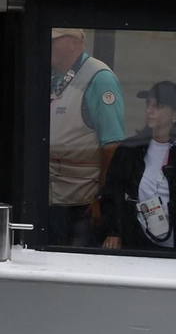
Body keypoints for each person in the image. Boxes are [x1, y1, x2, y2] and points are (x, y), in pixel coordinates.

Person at [102, 81, 176, 252]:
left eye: (158, 106)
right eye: (148, 104)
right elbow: (113, 192)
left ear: (175, 114)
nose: (149, 110)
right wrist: (114, 232)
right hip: (138, 245)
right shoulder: (131, 150)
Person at [47, 27, 126, 248]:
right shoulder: (54, 75)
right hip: (53, 198)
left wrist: (101, 198)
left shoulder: (99, 79)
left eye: (54, 40)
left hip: (81, 206)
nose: (48, 45)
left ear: (74, 42)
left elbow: (112, 147)